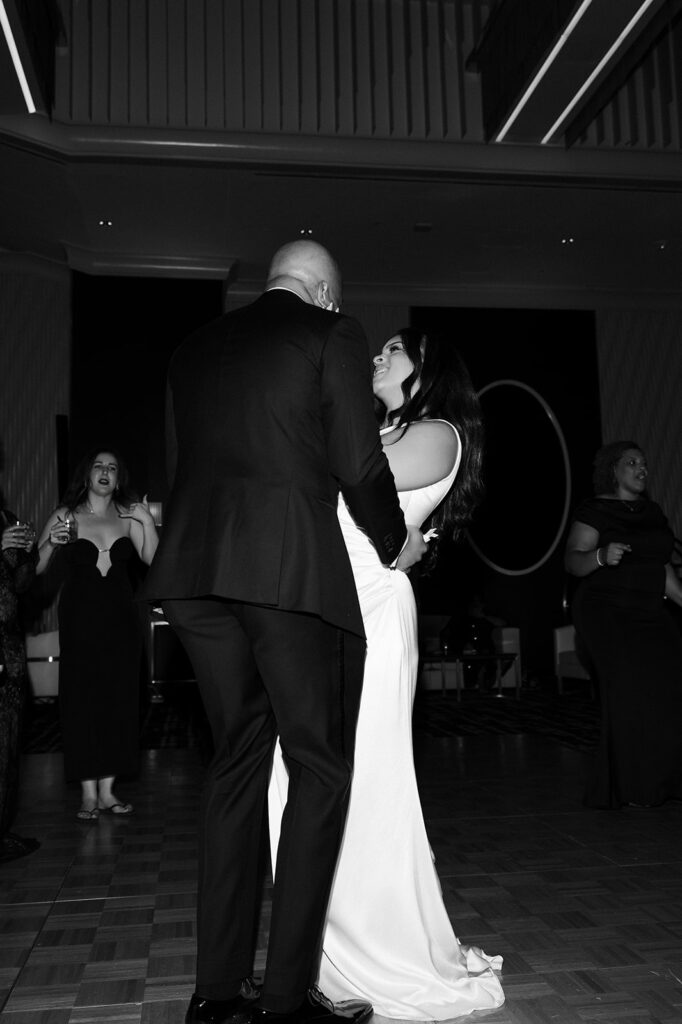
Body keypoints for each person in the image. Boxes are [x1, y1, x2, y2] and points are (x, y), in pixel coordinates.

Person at [139, 240, 426, 1024]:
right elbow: (358, 463)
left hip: (195, 578)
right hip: (289, 576)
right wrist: (394, 541)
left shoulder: (193, 348)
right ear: (326, 292)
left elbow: (178, 469)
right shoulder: (331, 333)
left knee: (235, 761)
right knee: (319, 768)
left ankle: (216, 994)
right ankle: (285, 999)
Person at [270, 327, 505, 1019]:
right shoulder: (381, 429)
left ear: (428, 368)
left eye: (394, 349)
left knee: (365, 781)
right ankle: (320, 947)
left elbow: (345, 474)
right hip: (328, 603)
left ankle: (379, 948)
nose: (378, 355)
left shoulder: (438, 434)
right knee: (298, 776)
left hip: (371, 609)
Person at [36, 448, 158, 820]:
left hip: (122, 621)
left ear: (118, 480)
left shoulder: (128, 515)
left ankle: (107, 791)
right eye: (98, 466)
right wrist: (51, 543)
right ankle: (88, 794)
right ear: (87, 475)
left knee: (119, 700)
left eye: (112, 467)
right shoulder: (66, 515)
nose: (105, 471)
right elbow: (35, 568)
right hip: (81, 620)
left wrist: (147, 522)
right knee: (82, 700)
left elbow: (154, 561)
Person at [565, 440, 682, 809]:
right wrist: (601, 555)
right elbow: (573, 562)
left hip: (650, 611)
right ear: (612, 471)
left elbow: (662, 567)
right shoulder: (596, 510)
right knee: (628, 692)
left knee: (671, 684)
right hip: (606, 612)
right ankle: (631, 786)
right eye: (631, 462)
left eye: (643, 463)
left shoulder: (653, 513)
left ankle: (665, 781)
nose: (641, 468)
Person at [0, 507, 40, 862]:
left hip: (9, 647)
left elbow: (21, 585)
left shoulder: (5, 516)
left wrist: (28, 552)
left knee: (9, 741)